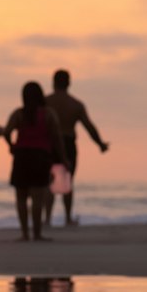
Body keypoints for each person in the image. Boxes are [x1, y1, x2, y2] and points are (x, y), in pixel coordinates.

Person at [0, 81, 65, 242]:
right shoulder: (48, 114)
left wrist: (11, 145)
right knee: (37, 198)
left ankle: (25, 234)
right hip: (40, 156)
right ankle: (37, 234)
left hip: (21, 156)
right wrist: (63, 158)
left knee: (21, 197)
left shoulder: (19, 114)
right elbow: (56, 138)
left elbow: (7, 131)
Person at [45, 69, 109, 227]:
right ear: (69, 83)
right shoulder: (76, 104)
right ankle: (67, 218)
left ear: (53, 82)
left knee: (49, 181)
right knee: (67, 181)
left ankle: (47, 219)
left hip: (49, 143)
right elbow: (89, 127)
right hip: (68, 143)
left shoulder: (45, 102)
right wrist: (100, 144)